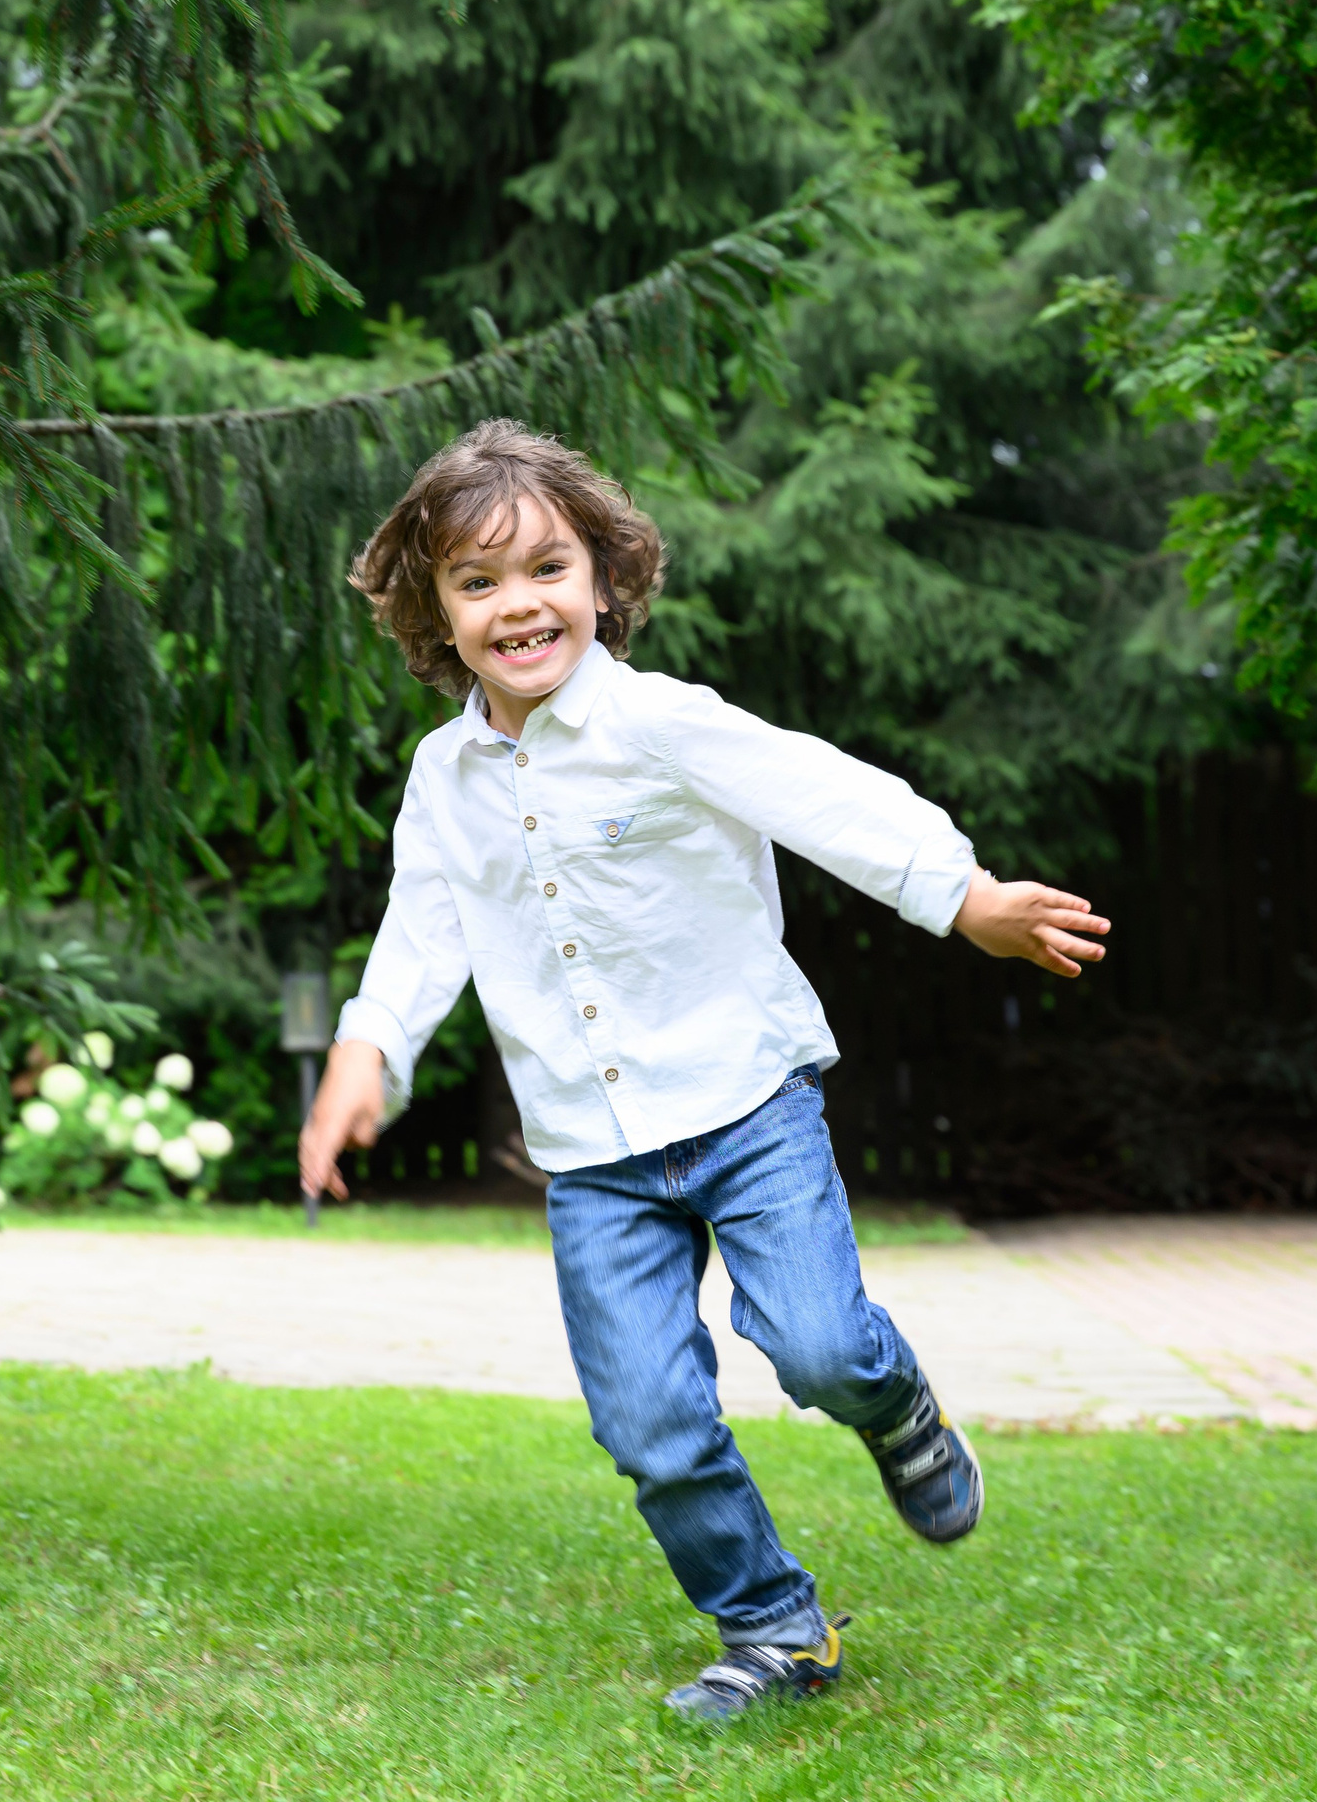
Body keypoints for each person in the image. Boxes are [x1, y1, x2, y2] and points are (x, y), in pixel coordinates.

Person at [298, 421, 1111, 1722]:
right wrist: (366, 1053)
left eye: (547, 568)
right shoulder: (443, 778)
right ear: (433, 612)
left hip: (746, 1107)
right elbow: (423, 928)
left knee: (820, 1346)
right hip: (592, 1160)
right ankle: (777, 1628)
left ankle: (898, 1408)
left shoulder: (662, 725)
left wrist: (966, 897)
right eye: (478, 581)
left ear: (603, 581)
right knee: (649, 1425)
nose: (520, 604)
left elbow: (826, 797)